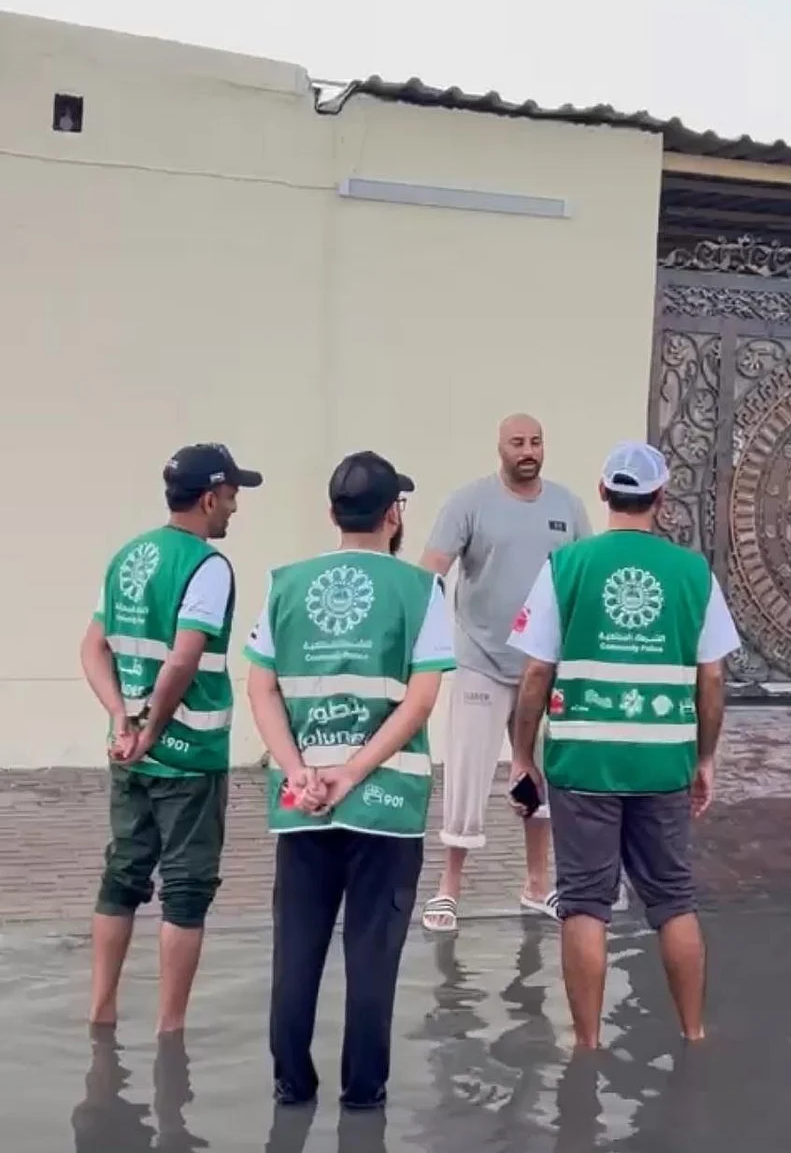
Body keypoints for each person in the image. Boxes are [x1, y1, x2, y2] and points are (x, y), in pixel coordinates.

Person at [507, 441, 741, 1051]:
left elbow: (536, 674)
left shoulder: (566, 565)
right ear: (660, 498)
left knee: (585, 903)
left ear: (603, 493)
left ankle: (587, 1044)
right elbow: (712, 679)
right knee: (674, 900)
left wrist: (523, 756)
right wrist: (705, 757)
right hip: (664, 760)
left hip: (583, 761)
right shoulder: (694, 573)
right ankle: (693, 1033)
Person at [244, 451, 455, 1110]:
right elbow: (420, 700)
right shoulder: (421, 590)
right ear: (394, 513)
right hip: (386, 803)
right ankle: (363, 1092)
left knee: (296, 947)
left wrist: (298, 769)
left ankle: (291, 1082)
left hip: (302, 800)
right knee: (372, 954)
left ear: (332, 512)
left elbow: (261, 688)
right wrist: (355, 771)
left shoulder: (285, 584)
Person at [79, 442, 263, 1033]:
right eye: (231, 495)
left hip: (128, 755)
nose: (234, 507)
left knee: (122, 875)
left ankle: (101, 1012)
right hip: (188, 759)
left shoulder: (129, 556)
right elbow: (184, 660)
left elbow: (92, 647)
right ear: (208, 498)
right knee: (186, 890)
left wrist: (122, 719)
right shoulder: (207, 566)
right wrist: (153, 728)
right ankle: (170, 1028)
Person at [419, 414, 592, 934]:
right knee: (466, 774)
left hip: (544, 666)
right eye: (518, 443)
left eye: (536, 442)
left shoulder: (567, 506)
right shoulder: (469, 502)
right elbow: (431, 571)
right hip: (481, 660)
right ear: (500, 448)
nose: (528, 451)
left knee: (540, 776)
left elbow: (584, 575)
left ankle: (537, 885)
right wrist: (422, 644)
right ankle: (448, 888)